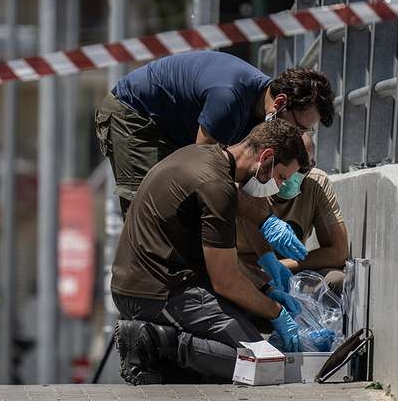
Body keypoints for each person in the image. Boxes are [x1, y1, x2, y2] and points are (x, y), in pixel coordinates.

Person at [110, 119, 309, 384]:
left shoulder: (202, 155)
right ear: (267, 157)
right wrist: (275, 311)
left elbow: (221, 262)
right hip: (154, 292)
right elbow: (225, 281)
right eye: (280, 177)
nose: (278, 186)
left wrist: (267, 291)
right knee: (264, 365)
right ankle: (155, 342)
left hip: (156, 280)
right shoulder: (217, 187)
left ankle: (176, 358)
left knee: (254, 317)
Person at [94, 51, 335, 263]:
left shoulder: (262, 112)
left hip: (174, 128)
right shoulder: (229, 99)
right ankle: (143, 292)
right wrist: (265, 221)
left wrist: (266, 256)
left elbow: (247, 186)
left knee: (185, 213)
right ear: (281, 103)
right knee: (151, 211)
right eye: (300, 127)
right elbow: (206, 176)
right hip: (136, 116)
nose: (299, 135)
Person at [238, 134, 349, 295]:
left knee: (336, 280)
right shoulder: (248, 182)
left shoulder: (315, 183)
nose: (292, 175)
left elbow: (338, 252)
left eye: (303, 168)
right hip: (245, 272)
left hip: (290, 270)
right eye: (287, 169)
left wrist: (279, 266)